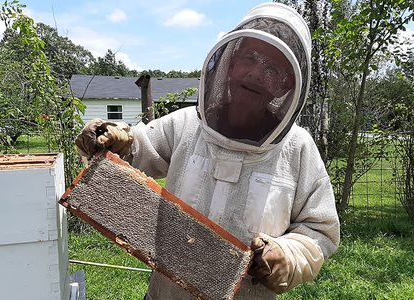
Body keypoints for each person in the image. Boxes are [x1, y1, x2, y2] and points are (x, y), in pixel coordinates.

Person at [75, 2, 340, 299]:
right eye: (249, 58)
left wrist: (287, 255)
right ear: (229, 62)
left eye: (272, 68)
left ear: (285, 84)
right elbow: (137, 150)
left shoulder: (298, 149)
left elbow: (320, 231)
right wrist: (116, 140)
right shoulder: (186, 125)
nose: (255, 73)